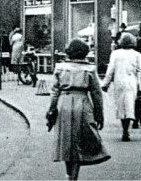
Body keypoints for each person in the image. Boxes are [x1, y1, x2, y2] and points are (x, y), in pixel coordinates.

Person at [47, 39, 111, 180]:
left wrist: (51, 110)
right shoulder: (90, 69)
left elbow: (54, 92)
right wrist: (99, 115)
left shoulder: (60, 68)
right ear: (85, 53)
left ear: (69, 52)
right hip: (82, 104)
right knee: (78, 143)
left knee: (66, 142)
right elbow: (96, 94)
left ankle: (69, 175)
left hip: (63, 104)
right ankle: (73, 177)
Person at [101, 32, 141, 141]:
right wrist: (140, 87)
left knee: (121, 105)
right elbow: (140, 72)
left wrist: (105, 83)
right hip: (132, 82)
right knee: (129, 104)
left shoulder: (115, 53)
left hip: (119, 81)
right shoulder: (137, 54)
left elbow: (110, 69)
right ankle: (126, 129)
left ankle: (124, 129)